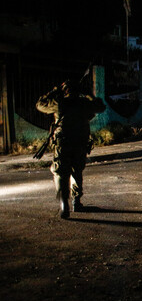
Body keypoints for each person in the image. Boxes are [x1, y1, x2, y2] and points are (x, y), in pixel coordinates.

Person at [36, 80, 106, 218]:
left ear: (65, 90)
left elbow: (40, 105)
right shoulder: (84, 103)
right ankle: (76, 201)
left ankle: (64, 204)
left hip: (63, 142)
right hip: (80, 142)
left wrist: (55, 91)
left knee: (61, 171)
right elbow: (101, 107)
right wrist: (88, 94)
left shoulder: (59, 102)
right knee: (77, 170)